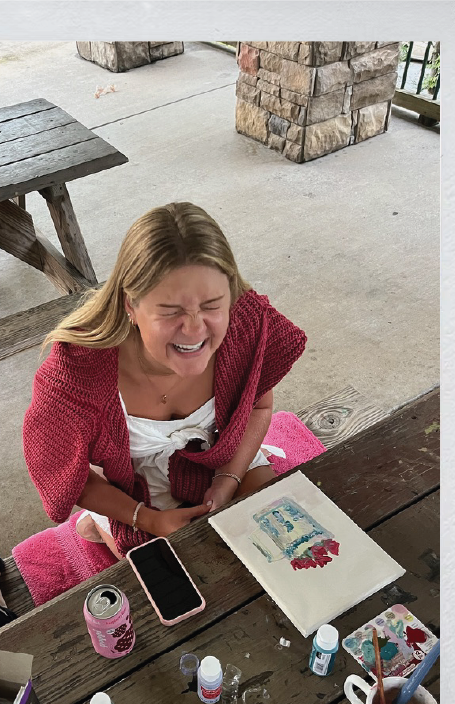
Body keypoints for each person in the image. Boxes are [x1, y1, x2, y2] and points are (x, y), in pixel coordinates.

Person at [22, 202, 307, 560]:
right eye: (171, 311)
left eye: (212, 305)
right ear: (130, 306)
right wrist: (147, 520)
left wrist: (227, 479)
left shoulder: (247, 322)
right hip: (132, 487)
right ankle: (99, 521)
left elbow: (261, 406)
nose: (194, 329)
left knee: (288, 538)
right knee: (172, 568)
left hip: (223, 455)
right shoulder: (75, 373)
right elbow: (67, 476)